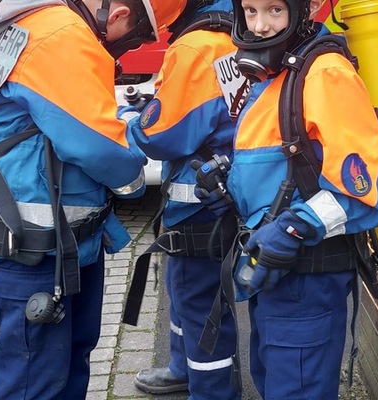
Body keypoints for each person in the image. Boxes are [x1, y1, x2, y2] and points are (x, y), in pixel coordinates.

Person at [0, 0, 184, 398]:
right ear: (119, 15)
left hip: (52, 241)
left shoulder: (38, 22)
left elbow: (65, 113)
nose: (125, 47)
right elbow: (95, 144)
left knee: (63, 362)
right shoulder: (61, 33)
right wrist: (132, 178)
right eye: (134, 37)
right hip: (36, 245)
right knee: (36, 379)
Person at [195, 0, 378, 397]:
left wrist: (293, 227)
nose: (260, 25)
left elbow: (362, 189)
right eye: (250, 11)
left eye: (274, 10)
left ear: (305, 10)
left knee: (295, 390)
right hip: (273, 270)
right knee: (271, 380)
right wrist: (227, 187)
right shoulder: (278, 71)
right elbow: (282, 161)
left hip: (307, 276)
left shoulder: (325, 73)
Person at [123, 0, 247, 398]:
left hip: (198, 207)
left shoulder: (198, 45)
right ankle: (182, 368)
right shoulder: (230, 31)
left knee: (199, 304)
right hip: (218, 197)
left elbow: (163, 135)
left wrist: (129, 121)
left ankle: (211, 392)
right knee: (187, 297)